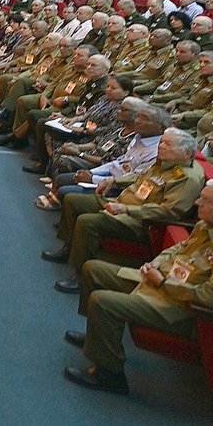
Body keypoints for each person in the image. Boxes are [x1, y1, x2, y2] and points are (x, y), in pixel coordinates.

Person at [64, 179, 213, 394]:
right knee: (93, 269)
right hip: (160, 282)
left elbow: (206, 296)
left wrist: (163, 282)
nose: (197, 202)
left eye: (205, 200)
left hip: (181, 310)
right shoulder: (203, 226)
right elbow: (177, 249)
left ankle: (110, 375)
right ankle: (97, 338)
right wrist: (157, 263)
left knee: (103, 302)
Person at [45, 125, 204, 294]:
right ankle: (68, 248)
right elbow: (139, 176)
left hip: (140, 220)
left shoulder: (187, 178)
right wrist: (114, 182)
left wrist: (127, 210)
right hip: (122, 202)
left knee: (87, 222)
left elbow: (168, 211)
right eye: (162, 142)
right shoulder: (165, 162)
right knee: (73, 200)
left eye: (168, 144)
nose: (161, 146)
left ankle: (81, 277)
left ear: (186, 153)